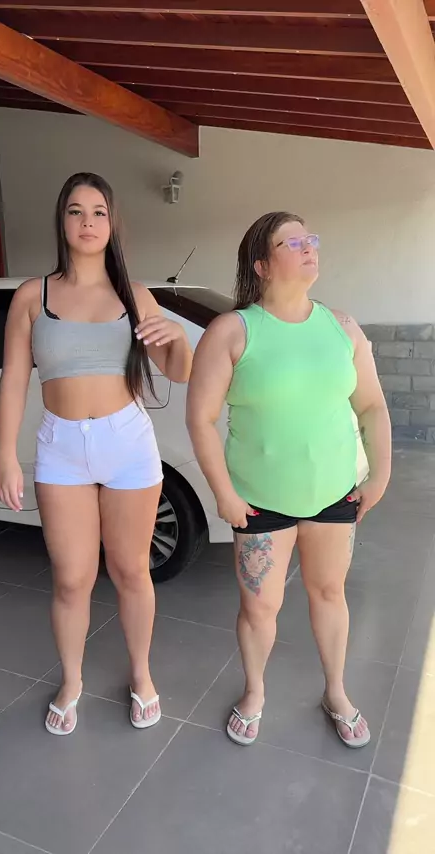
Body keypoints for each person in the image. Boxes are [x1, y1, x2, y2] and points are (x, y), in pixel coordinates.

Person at [0, 172, 192, 736]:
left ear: (112, 223)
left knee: (131, 570)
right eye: (76, 211)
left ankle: (141, 675)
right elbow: (14, 381)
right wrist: (5, 454)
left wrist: (177, 339)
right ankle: (72, 681)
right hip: (60, 447)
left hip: (126, 443)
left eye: (98, 212)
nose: (87, 222)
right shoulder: (33, 296)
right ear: (62, 221)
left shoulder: (135, 296)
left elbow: (177, 371)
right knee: (71, 579)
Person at [186, 212, 391, 748]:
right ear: (261, 264)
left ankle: (336, 691)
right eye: (291, 242)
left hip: (333, 494)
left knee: (330, 592)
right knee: (260, 607)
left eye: (310, 239)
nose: (308, 247)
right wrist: (224, 494)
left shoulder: (342, 327)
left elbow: (371, 406)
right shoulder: (233, 331)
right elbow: (200, 419)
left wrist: (381, 474)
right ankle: (254, 691)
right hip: (259, 503)